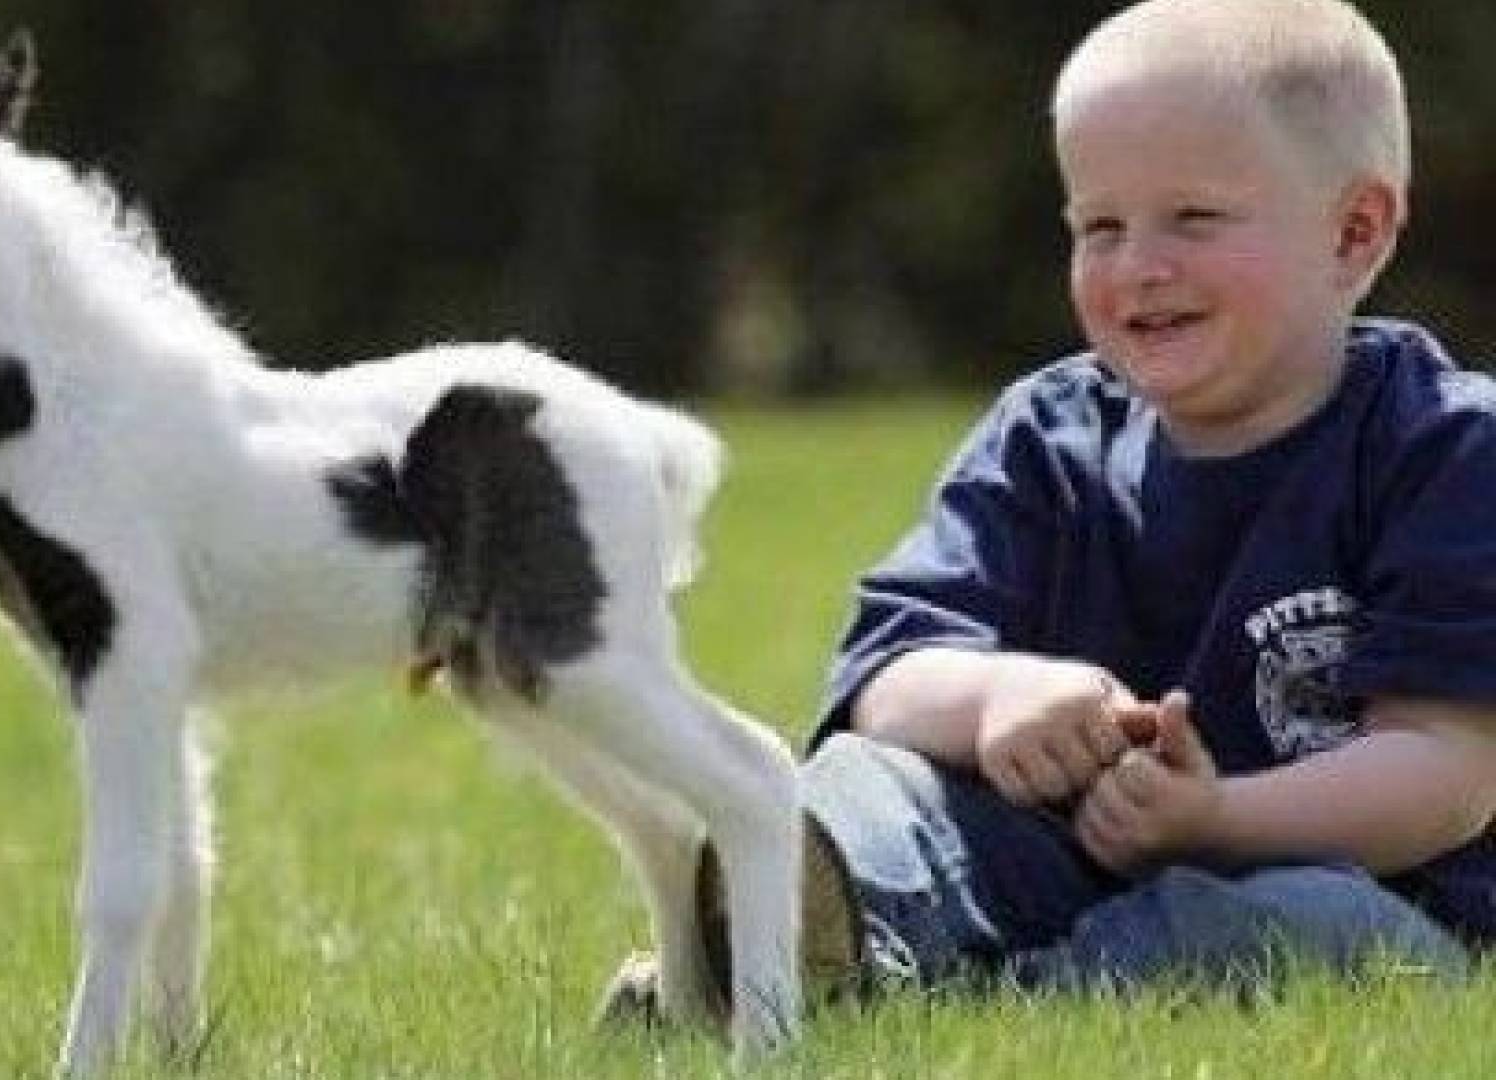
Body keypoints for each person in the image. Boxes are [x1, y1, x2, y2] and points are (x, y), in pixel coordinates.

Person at [603, 0, 1496, 1019]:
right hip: (1051, 859)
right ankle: (779, 938)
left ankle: (937, 999)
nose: (1138, 266)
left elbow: (1448, 776)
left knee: (1302, 928)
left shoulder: (1446, 449)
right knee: (868, 784)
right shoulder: (1047, 435)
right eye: (1100, 227)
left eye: (1194, 218)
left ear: (1353, 234)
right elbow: (887, 671)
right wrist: (996, 699)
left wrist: (1213, 818)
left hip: (1360, 885)